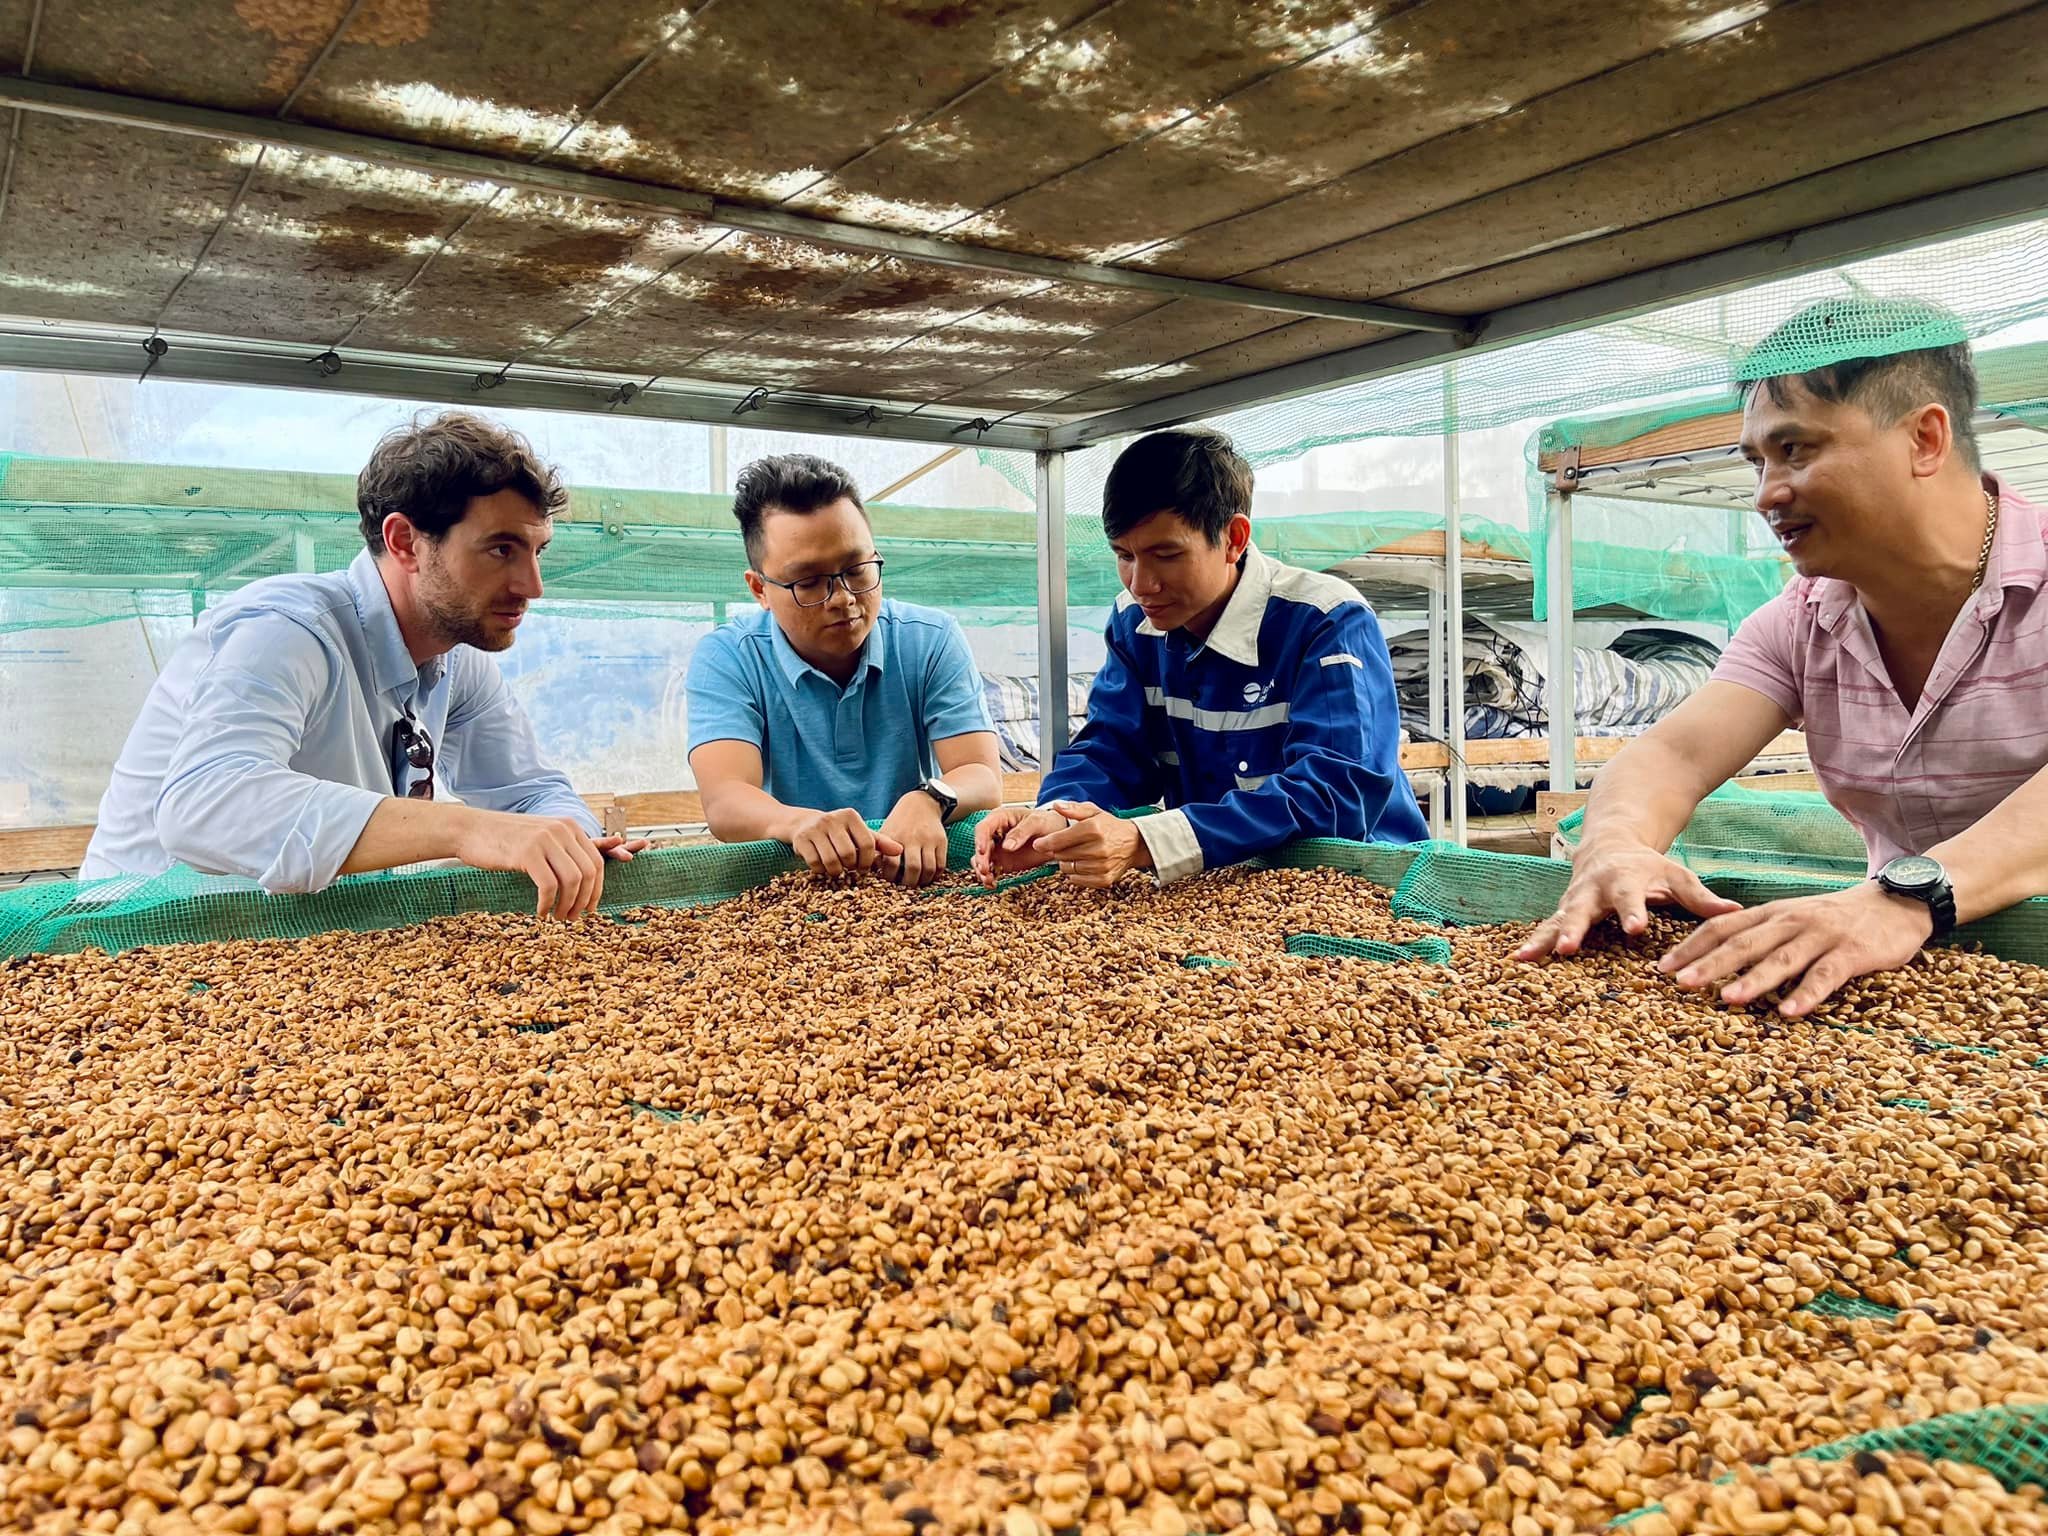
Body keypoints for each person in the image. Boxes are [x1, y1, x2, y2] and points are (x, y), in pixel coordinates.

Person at [1519, 298, 2048, 1016]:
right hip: (1917, 978)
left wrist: (1908, 893)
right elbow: (1667, 760)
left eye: (1797, 449)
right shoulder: (1800, 624)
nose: (1768, 492)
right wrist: (1616, 842)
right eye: (1757, 460)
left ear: (1925, 439)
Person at [82, 412, 642, 920]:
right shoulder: (287, 630)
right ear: (405, 543)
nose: (532, 587)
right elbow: (203, 806)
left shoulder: (457, 657)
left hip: (301, 943)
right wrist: (467, 829)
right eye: (501, 550)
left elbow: (526, 792)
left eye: (537, 552)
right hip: (140, 947)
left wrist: (572, 840)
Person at [973, 427, 1425, 888]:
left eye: (1165, 554)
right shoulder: (1135, 624)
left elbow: (1334, 795)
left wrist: (1148, 841)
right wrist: (1058, 817)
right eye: (1124, 555)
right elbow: (1111, 750)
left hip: (1366, 882)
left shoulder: (1325, 620)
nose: (1140, 583)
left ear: (1233, 538)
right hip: (1228, 883)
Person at [686, 454, 1001, 887]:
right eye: (808, 582)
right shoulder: (729, 656)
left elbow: (981, 774)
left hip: (909, 875)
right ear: (760, 589)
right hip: (791, 881)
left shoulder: (929, 638)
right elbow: (725, 800)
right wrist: (797, 824)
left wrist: (930, 798)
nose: (843, 598)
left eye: (856, 570)